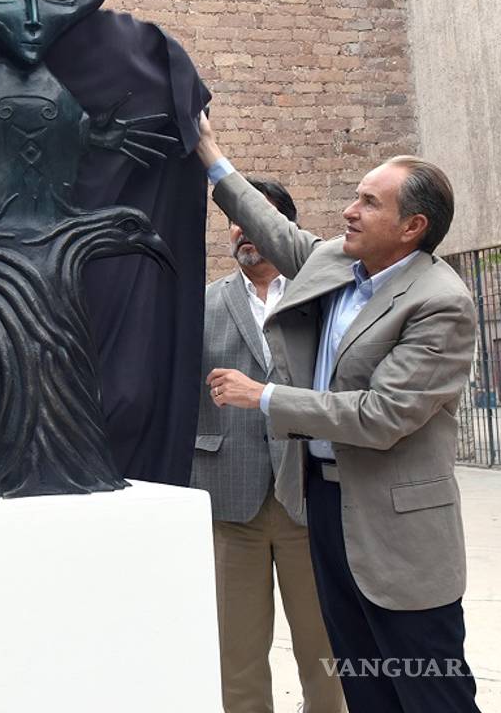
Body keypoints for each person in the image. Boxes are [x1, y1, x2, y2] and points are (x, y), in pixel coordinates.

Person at [197, 113, 481, 712]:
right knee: (361, 680)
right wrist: (210, 155)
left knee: (429, 687)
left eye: (369, 203)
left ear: (412, 227)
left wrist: (263, 396)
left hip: (396, 526)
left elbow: (382, 415)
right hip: (325, 504)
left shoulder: (440, 302)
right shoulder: (336, 266)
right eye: (355, 196)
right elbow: (272, 229)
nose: (349, 211)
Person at [192, 179, 345, 713]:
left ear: (286, 229)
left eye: (255, 218)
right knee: (236, 651)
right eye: (234, 221)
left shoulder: (320, 301)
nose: (243, 230)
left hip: (308, 493)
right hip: (230, 496)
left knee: (324, 646)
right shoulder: (202, 303)